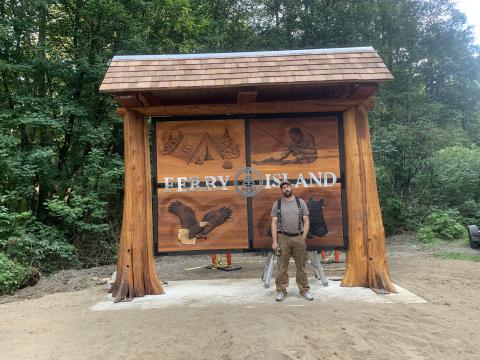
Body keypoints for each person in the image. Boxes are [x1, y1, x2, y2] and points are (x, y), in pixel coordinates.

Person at [271, 180, 314, 301]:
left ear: (291, 187)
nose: (286, 189)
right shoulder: (277, 204)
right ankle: (281, 291)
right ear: (281, 190)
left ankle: (304, 290)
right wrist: (274, 241)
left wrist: (303, 237)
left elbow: (306, 221)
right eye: (283, 187)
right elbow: (274, 223)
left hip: (298, 238)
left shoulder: (300, 203)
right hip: (282, 238)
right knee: (282, 267)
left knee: (301, 267)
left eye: (288, 186)